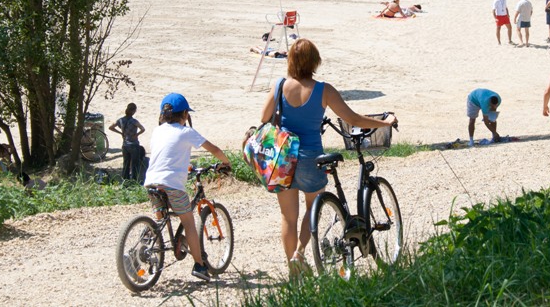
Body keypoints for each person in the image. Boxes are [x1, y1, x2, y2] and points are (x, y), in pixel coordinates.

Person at [260, 38, 397, 279]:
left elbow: (264, 116)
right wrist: (384, 122)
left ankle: (293, 271)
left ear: (290, 59)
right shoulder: (324, 90)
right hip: (311, 158)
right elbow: (352, 119)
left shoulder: (280, 85)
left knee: (287, 217)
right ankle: (299, 254)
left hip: (283, 159)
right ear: (315, 61)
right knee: (312, 209)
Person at [144, 93, 231, 282]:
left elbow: (168, 155)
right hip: (172, 185)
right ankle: (199, 265)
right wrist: (226, 162)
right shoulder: (186, 132)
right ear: (185, 114)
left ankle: (161, 247)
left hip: (151, 181)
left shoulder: (157, 131)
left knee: (162, 219)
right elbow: (214, 149)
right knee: (189, 222)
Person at [108, 103, 146, 182]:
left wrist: (120, 133)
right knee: (135, 164)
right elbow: (142, 129)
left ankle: (125, 181)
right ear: (134, 111)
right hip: (134, 144)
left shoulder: (121, 120)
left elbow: (111, 127)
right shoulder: (134, 121)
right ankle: (134, 181)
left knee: (126, 164)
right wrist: (136, 134)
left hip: (125, 145)